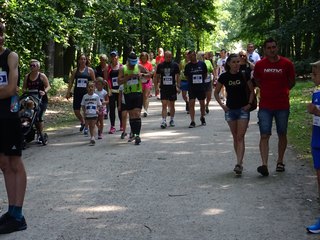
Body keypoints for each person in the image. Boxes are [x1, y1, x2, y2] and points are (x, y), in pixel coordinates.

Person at [0, 22, 27, 234]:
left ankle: (18, 216)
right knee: (3, 163)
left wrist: (7, 90)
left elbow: (11, 88)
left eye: (1, 33)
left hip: (9, 115)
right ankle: (11, 211)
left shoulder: (11, 56)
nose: (0, 37)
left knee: (14, 161)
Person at [254, 37, 295, 176]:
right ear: (264, 50)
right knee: (264, 134)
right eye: (269, 48)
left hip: (282, 105)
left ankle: (280, 161)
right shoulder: (260, 65)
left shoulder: (287, 63)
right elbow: (257, 80)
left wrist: (282, 91)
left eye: (274, 47)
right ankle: (264, 164)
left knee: (282, 133)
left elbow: (291, 82)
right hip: (265, 105)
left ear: (277, 48)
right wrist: (267, 91)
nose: (272, 50)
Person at [214, 54, 255, 175]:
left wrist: (249, 104)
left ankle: (238, 163)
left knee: (240, 137)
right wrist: (223, 106)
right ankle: (239, 161)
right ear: (228, 64)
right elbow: (216, 93)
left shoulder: (244, 74)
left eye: (238, 61)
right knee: (235, 136)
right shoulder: (224, 76)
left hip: (243, 109)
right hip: (230, 110)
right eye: (234, 62)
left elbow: (252, 91)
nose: (237, 64)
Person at [118, 52, 147, 145]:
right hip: (128, 94)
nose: (133, 64)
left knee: (137, 114)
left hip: (138, 93)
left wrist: (142, 75)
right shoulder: (123, 69)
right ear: (128, 61)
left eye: (134, 62)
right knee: (132, 115)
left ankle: (137, 135)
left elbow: (150, 74)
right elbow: (118, 82)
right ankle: (133, 133)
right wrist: (128, 77)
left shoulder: (139, 67)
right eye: (132, 62)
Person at [306, 60, 320, 234]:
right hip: (316, 141)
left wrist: (317, 112)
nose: (312, 76)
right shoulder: (316, 94)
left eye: (315, 74)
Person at [66, 54, 96, 135]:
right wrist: (68, 91)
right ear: (78, 60)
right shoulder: (75, 70)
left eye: (84, 59)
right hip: (77, 93)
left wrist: (94, 92)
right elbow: (71, 81)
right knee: (76, 110)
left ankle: (86, 128)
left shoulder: (90, 70)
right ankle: (82, 121)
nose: (83, 61)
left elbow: (94, 82)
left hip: (87, 93)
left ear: (86, 60)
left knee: (85, 111)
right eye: (81, 59)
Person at [22, 59, 51, 143]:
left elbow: (48, 86)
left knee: (39, 117)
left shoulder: (42, 76)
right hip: (30, 98)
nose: (31, 67)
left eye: (33, 65)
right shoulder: (27, 76)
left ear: (38, 67)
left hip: (41, 99)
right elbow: (24, 88)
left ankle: (40, 134)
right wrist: (24, 91)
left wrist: (44, 91)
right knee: (30, 114)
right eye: (30, 65)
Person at [156, 50, 180, 128]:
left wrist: (178, 86)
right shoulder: (160, 65)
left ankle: (172, 119)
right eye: (167, 57)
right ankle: (163, 121)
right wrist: (156, 87)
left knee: (172, 105)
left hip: (172, 87)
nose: (168, 58)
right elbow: (157, 76)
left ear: (171, 56)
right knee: (164, 104)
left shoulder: (175, 65)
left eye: (170, 57)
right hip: (164, 87)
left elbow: (178, 76)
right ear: (164, 57)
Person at [184, 50, 208, 128]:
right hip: (192, 88)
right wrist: (191, 83)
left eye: (192, 56)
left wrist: (201, 82)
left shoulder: (202, 64)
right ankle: (192, 121)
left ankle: (202, 117)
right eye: (189, 56)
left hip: (201, 87)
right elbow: (187, 76)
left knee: (202, 104)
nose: (191, 58)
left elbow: (205, 74)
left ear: (195, 55)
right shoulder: (188, 66)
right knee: (191, 103)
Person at [81, 81, 102, 145]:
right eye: (89, 87)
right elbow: (83, 105)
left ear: (94, 88)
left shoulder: (96, 96)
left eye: (92, 87)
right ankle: (91, 135)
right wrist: (84, 112)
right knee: (90, 125)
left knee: (92, 125)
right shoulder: (85, 96)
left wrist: (97, 109)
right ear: (87, 88)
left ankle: (92, 137)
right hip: (88, 113)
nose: (90, 88)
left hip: (94, 113)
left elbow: (99, 104)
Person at [106, 51, 122, 134]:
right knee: (112, 108)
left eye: (114, 56)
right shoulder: (108, 68)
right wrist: (108, 89)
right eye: (112, 57)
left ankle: (122, 124)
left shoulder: (121, 67)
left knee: (120, 108)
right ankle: (112, 126)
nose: (113, 58)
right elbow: (106, 79)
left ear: (117, 57)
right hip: (112, 91)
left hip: (120, 90)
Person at [139, 52, 154, 117]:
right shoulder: (138, 64)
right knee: (141, 97)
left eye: (145, 58)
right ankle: (141, 108)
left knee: (146, 96)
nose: (144, 59)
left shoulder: (149, 64)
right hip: (139, 82)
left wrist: (144, 74)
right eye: (142, 58)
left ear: (147, 58)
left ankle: (146, 110)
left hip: (147, 82)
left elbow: (151, 73)